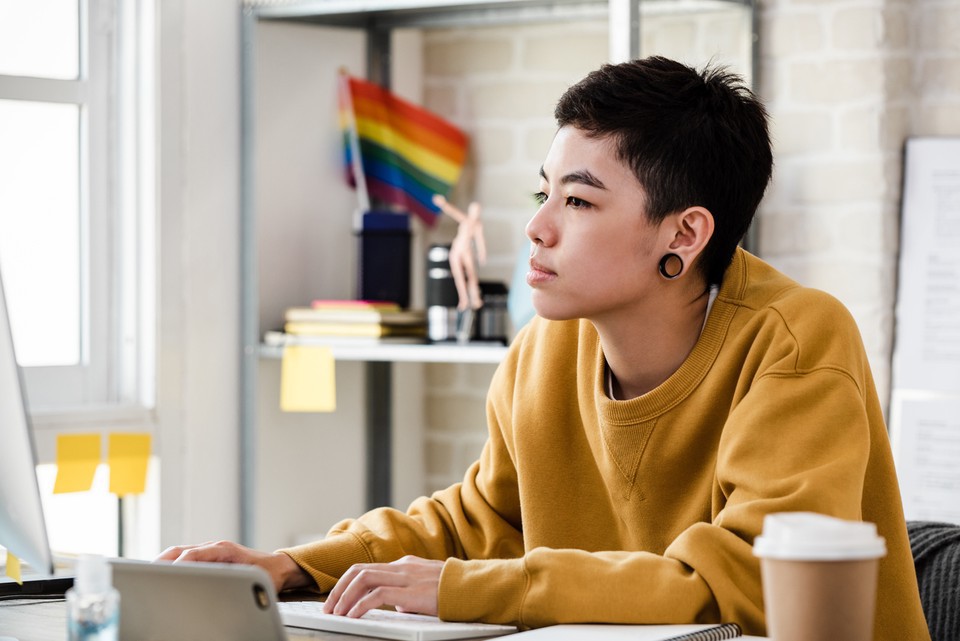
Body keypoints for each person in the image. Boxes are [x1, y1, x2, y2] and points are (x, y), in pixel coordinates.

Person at [159, 56, 930, 639]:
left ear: (684, 234)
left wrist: (467, 587)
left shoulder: (795, 342)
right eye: (543, 192)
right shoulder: (544, 349)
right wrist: (291, 565)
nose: (537, 225)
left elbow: (732, 584)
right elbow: (474, 521)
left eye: (580, 200)